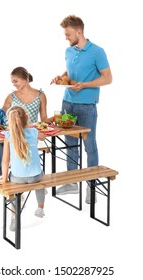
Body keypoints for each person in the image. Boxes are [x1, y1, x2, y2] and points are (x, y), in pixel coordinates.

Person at [51, 15, 112, 203]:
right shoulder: (69, 51)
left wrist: (85, 85)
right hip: (67, 102)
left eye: (68, 34)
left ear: (79, 32)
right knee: (70, 143)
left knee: (89, 144)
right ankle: (72, 183)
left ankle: (91, 186)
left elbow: (108, 78)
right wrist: (60, 77)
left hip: (87, 105)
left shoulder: (97, 52)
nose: (66, 38)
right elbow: (69, 72)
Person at [0, 105, 46, 231]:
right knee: (40, 179)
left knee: (14, 182)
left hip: (17, 178)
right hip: (35, 177)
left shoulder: (8, 136)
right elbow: (44, 137)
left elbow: (5, 161)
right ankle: (40, 208)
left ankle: (14, 216)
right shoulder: (34, 132)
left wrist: (4, 179)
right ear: (26, 118)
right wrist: (31, 127)